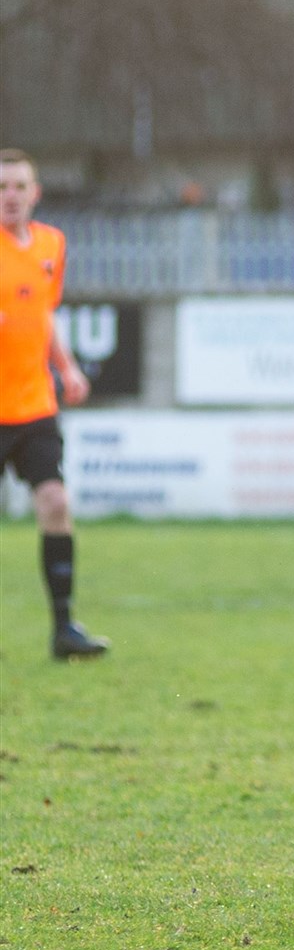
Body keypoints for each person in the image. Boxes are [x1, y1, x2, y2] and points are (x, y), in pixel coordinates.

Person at [0, 148, 110, 661]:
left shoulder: (51, 244)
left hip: (34, 406)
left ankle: (64, 630)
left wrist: (65, 368)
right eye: (2, 188)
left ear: (35, 193)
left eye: (19, 186)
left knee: (56, 504)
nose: (11, 197)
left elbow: (43, 314)